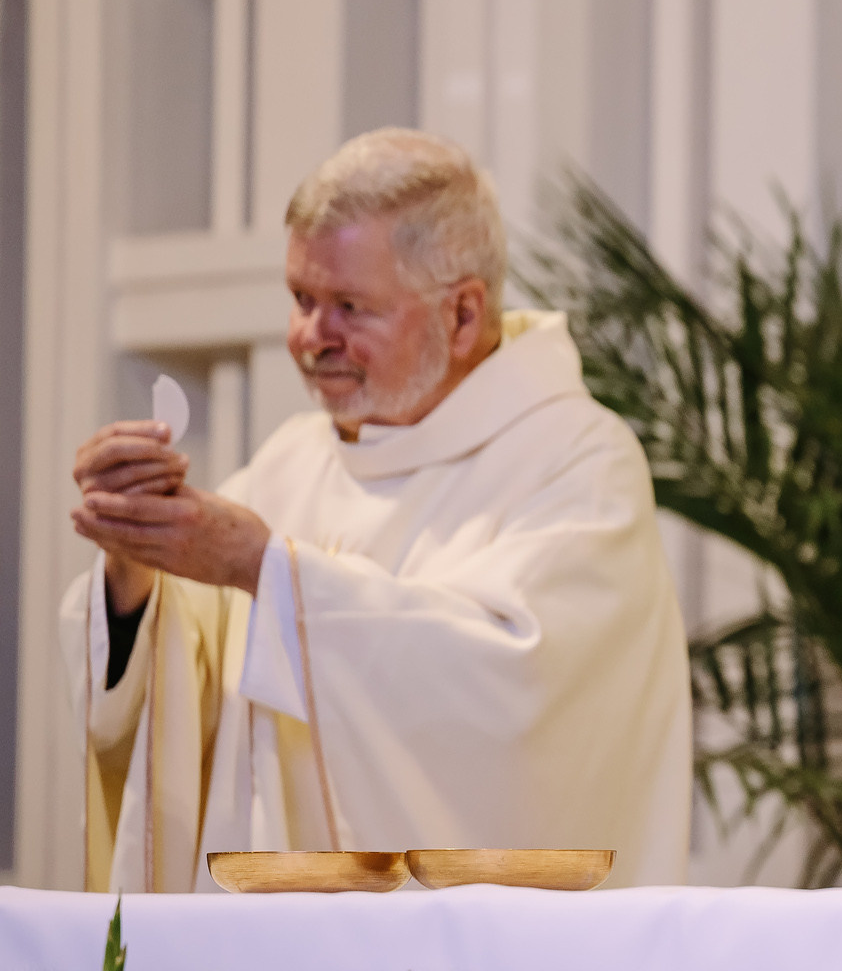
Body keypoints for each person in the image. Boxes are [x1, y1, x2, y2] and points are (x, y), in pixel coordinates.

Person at [64, 129, 690, 891]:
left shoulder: (576, 460)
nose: (309, 337)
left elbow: (518, 698)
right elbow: (183, 682)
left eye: (349, 307)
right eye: (300, 299)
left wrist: (268, 570)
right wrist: (136, 565)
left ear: (462, 315)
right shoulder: (293, 460)